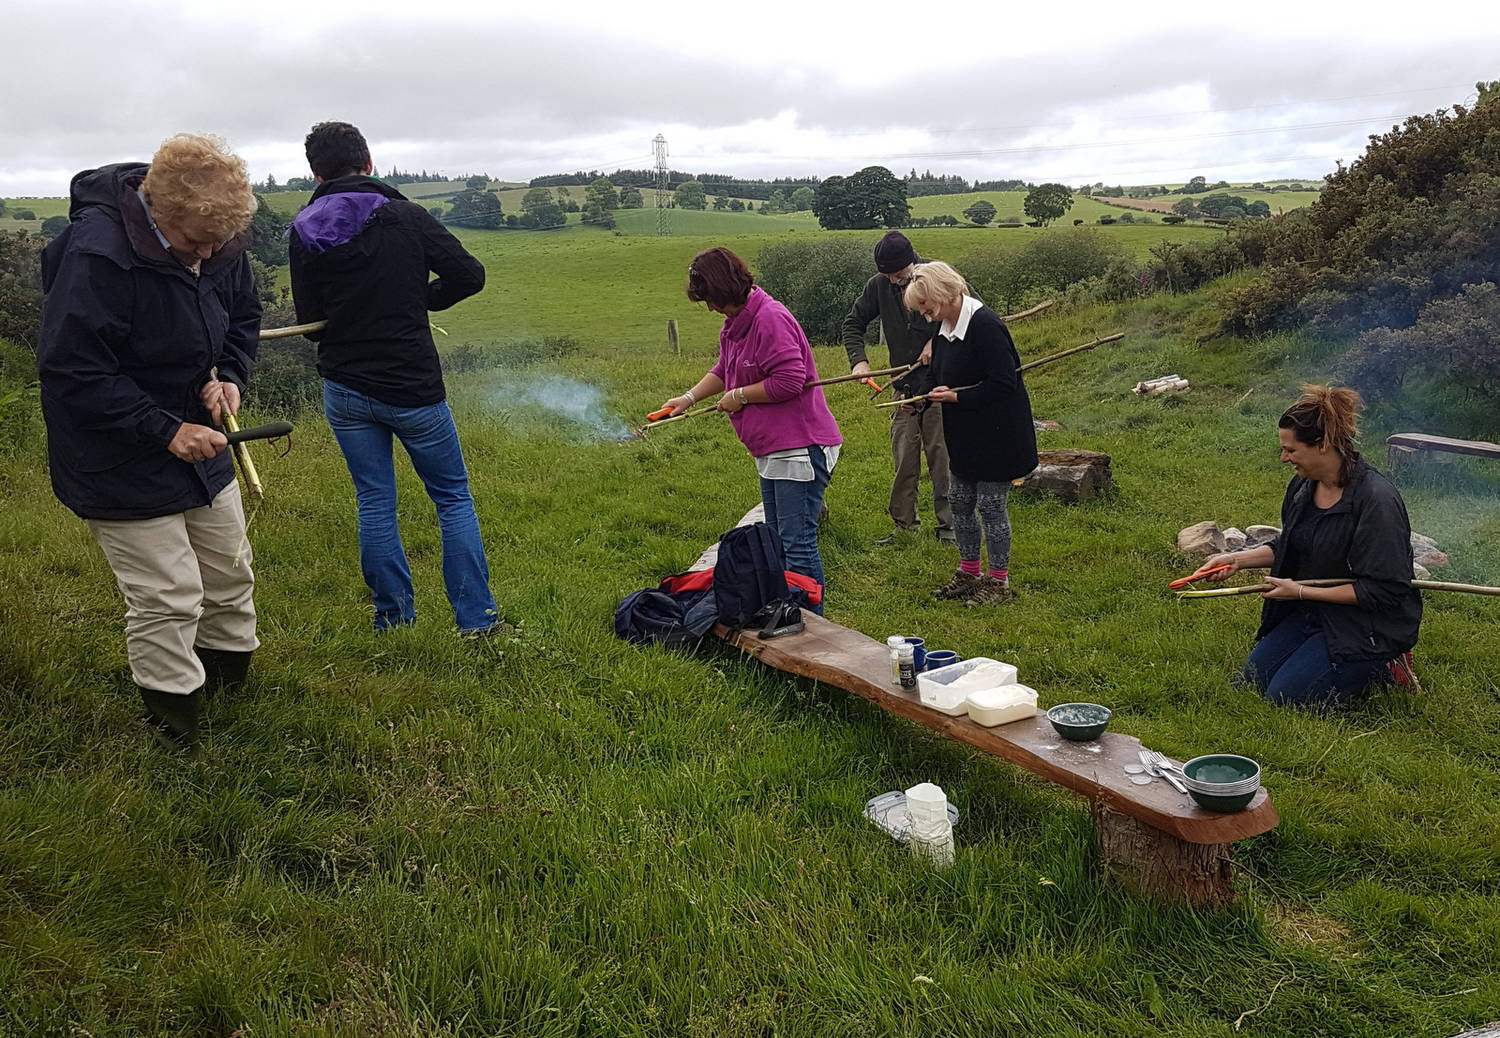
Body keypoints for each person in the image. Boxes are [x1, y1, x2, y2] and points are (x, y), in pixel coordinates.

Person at [36, 133, 263, 752]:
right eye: (195, 242)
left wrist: (232, 377)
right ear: (157, 210)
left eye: (221, 244)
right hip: (117, 451)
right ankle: (175, 731)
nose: (209, 254)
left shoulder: (217, 239)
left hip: (203, 440)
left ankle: (230, 692)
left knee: (228, 569)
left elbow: (243, 314)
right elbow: (71, 369)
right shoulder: (97, 255)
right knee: (168, 591)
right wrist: (163, 428)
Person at [289, 121, 501, 636]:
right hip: (412, 387)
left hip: (344, 388)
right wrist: (419, 298)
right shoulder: (405, 215)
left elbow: (310, 322)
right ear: (369, 162)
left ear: (315, 172)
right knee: (451, 497)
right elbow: (469, 275)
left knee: (374, 500)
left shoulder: (303, 228)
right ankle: (475, 623)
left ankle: (394, 620)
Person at [1202, 385, 1421, 707]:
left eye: (1290, 450)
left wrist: (1300, 592)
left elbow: (1385, 590)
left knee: (1284, 698)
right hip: (1313, 612)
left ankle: (1382, 664)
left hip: (1365, 624)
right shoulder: (1303, 485)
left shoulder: (1375, 500)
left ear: (1323, 445)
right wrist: (1235, 560)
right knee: (1249, 684)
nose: (1283, 458)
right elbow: (1293, 542)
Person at [659, 247, 842, 612]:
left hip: (799, 445)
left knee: (797, 541)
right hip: (773, 447)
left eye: (710, 298)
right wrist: (688, 398)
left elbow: (791, 380)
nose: (709, 308)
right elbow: (724, 368)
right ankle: (788, 613)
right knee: (776, 538)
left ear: (724, 289)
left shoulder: (769, 319)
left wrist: (740, 396)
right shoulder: (736, 323)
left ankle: (814, 626)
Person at [902, 261, 1036, 606]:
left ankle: (998, 582)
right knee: (960, 501)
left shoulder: (985, 325)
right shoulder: (945, 326)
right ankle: (968, 572)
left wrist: (958, 397)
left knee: (991, 506)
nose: (924, 314)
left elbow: (1005, 384)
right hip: (965, 432)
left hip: (998, 432)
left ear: (942, 293)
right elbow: (937, 374)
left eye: (925, 305)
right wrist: (919, 399)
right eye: (920, 308)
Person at [842, 231, 954, 545]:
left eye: (900, 276)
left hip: (941, 385)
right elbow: (853, 323)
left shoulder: (938, 275)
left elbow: (971, 316)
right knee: (904, 459)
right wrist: (858, 362)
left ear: (913, 262)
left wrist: (938, 341)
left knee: (942, 459)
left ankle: (950, 529)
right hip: (904, 387)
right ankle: (904, 527)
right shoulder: (878, 286)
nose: (895, 282)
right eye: (888, 276)